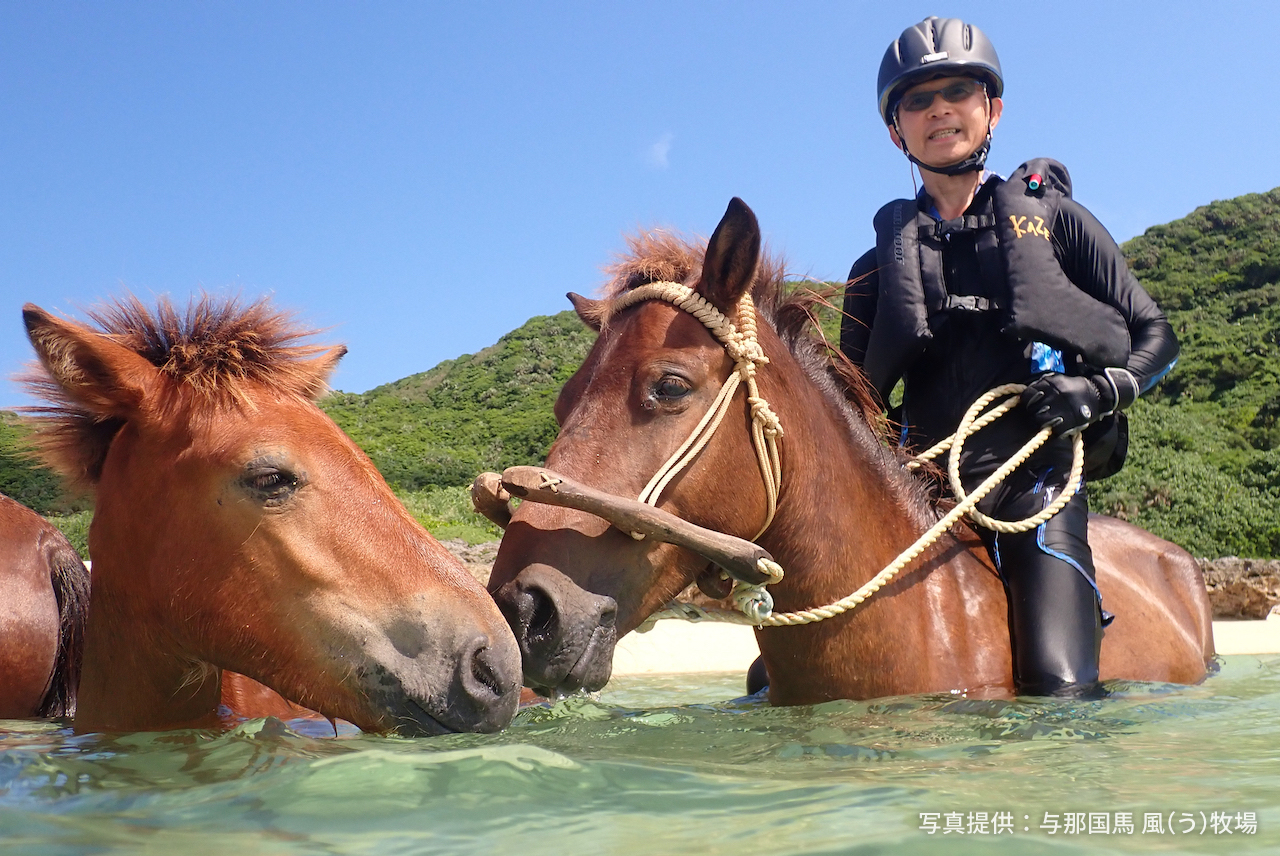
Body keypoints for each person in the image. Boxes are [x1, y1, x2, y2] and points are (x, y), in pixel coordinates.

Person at [840, 17, 1179, 697]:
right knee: (783, 673)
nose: (939, 108)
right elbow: (847, 408)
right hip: (921, 494)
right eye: (916, 99)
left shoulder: (1054, 220)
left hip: (1035, 485)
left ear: (991, 108)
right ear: (895, 130)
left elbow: (1156, 338)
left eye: (959, 89)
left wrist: (1099, 392)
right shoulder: (876, 267)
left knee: (1059, 685)